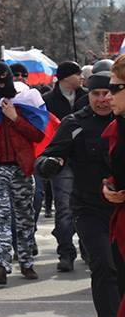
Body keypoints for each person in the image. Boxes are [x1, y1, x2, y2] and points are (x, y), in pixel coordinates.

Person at [35, 71, 120, 317]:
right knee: (104, 268)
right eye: (96, 94)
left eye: (108, 93)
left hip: (122, 212)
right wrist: (49, 163)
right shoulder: (75, 123)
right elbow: (47, 155)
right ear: (88, 95)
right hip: (89, 210)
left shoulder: (123, 121)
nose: (103, 99)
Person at [0, 62, 45, 286]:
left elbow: (37, 135)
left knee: (25, 216)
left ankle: (26, 261)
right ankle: (2, 265)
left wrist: (15, 117)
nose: (1, 82)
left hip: (21, 168)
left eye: (5, 78)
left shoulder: (27, 101)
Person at [43, 61, 87, 272]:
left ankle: (88, 249)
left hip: (88, 160)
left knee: (88, 208)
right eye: (77, 74)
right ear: (65, 77)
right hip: (62, 162)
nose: (81, 77)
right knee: (64, 208)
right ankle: (66, 252)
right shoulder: (48, 101)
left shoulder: (87, 97)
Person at [101, 57, 125, 317]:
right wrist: (107, 187)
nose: (107, 95)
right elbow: (113, 173)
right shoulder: (117, 126)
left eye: (114, 88)